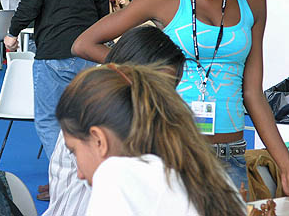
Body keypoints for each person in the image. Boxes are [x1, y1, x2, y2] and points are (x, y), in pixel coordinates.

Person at [72, 0, 289, 195]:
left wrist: (285, 163)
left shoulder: (253, 2)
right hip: (172, 152)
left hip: (231, 157)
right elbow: (84, 44)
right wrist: (144, 72)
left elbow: (253, 92)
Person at [56, 63, 246, 216]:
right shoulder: (206, 172)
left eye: (74, 150)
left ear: (99, 140)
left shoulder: (115, 175)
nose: (79, 174)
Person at [44, 26, 187, 215]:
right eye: (156, 86)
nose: (164, 96)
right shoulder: (101, 110)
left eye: (170, 88)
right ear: (129, 74)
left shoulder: (124, 105)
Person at [3, 0, 108, 162]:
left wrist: (13, 32)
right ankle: (88, 177)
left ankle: (66, 179)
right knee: (84, 121)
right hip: (89, 49)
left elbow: (30, 0)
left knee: (50, 120)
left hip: (55, 50)